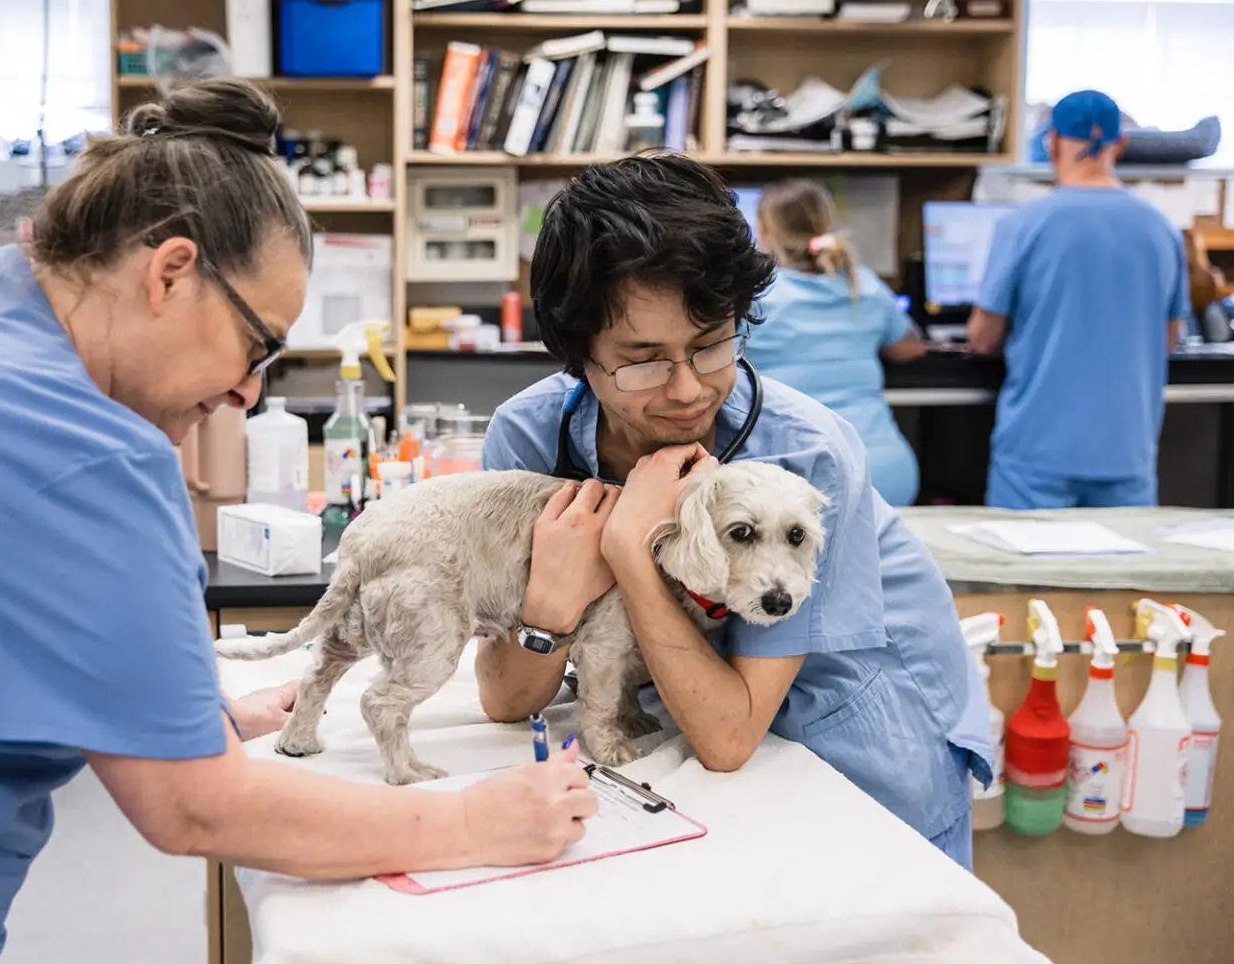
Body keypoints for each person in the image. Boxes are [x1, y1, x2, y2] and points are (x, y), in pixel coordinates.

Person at [0, 79, 596, 963]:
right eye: (258, 346)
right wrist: (474, 819)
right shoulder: (83, 447)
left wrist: (181, 714)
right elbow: (195, 808)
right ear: (170, 273)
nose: (248, 391)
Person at [476, 154, 994, 869]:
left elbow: (728, 735)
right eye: (644, 359)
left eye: (712, 343)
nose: (688, 390)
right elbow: (508, 700)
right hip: (702, 739)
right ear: (580, 357)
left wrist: (627, 551)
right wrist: (549, 605)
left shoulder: (804, 454)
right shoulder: (532, 438)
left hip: (861, 746)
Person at [967, 89, 1191, 509]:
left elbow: (982, 338)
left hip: (1037, 456)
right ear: (1120, 144)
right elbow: (1168, 339)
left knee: (1028, 573)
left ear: (1051, 143)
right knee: (1119, 574)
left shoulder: (1022, 225)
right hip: (1126, 454)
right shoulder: (1163, 230)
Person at [746, 178, 926, 506]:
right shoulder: (864, 285)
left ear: (764, 230)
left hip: (802, 475)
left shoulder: (756, 298)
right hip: (886, 471)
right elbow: (909, 347)